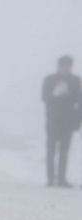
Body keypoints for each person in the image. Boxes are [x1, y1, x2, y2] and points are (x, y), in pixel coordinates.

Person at [42, 55, 82, 187]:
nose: (65, 69)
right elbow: (44, 97)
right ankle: (50, 179)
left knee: (64, 152)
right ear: (58, 66)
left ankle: (61, 179)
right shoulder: (50, 80)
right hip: (53, 120)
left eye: (68, 66)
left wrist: (77, 122)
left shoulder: (75, 81)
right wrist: (57, 94)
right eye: (63, 66)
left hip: (68, 122)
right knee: (51, 150)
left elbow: (79, 100)